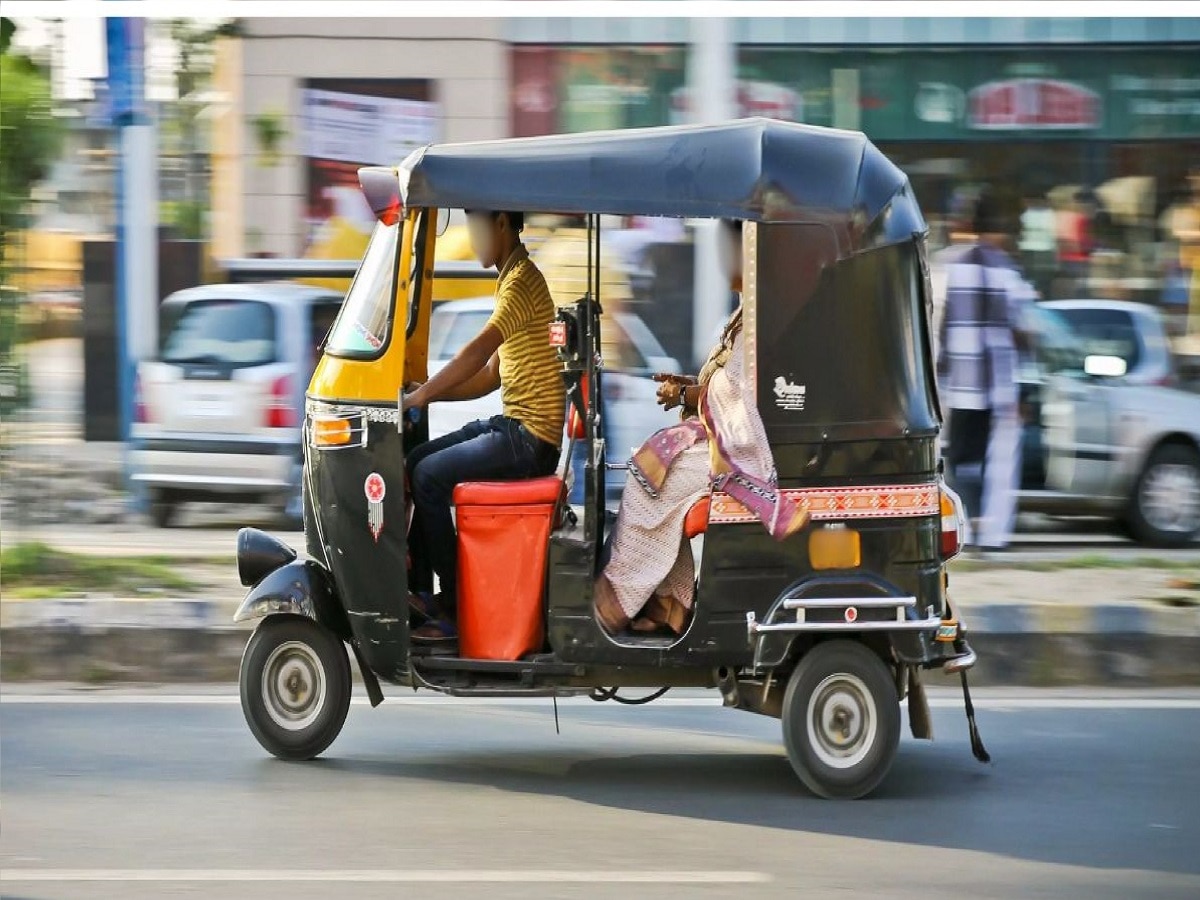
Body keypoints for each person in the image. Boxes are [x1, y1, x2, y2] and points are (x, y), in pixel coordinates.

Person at [593, 219, 810, 636]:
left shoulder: (761, 316)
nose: (720, 258)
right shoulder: (745, 312)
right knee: (649, 464)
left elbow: (737, 394)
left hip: (740, 451)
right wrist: (689, 389)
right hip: (718, 435)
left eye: (728, 248)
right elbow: (720, 384)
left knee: (649, 482)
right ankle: (668, 604)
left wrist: (689, 397)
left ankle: (619, 599)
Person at [402, 210, 565, 641]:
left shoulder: (521, 283)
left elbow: (476, 354)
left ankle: (454, 606)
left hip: (530, 439)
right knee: (417, 458)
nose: (472, 238)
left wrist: (421, 395)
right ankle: (419, 591)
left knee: (428, 477)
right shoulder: (510, 279)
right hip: (515, 426)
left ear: (501, 225)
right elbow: (490, 376)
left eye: (477, 228)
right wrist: (427, 392)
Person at [937, 188, 1036, 553]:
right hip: (998, 387)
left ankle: (961, 529)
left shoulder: (947, 266)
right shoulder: (1006, 270)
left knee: (957, 460)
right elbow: (1022, 332)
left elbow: (937, 327)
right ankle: (990, 535)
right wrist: (1025, 390)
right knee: (996, 465)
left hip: (958, 385)